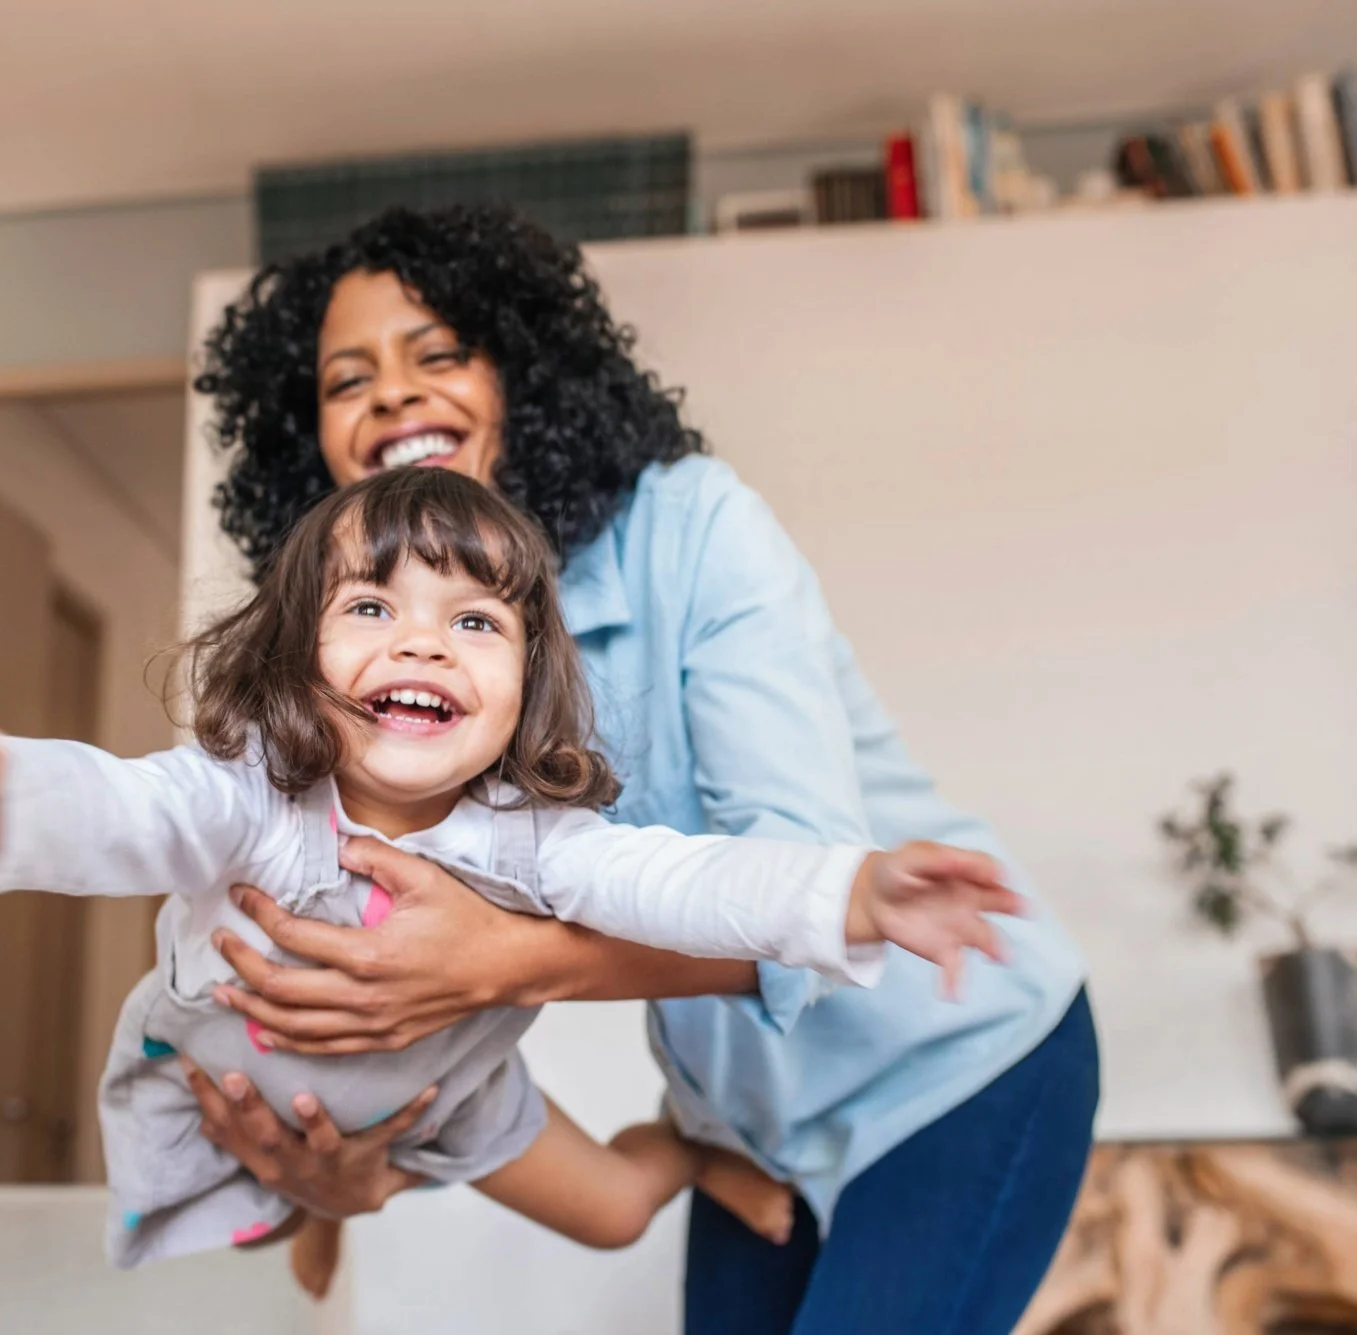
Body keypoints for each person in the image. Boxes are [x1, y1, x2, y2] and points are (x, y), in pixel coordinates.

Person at [182, 204, 1100, 1334]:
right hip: (744, 1129)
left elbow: (797, 884)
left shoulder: (700, 530)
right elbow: (391, 961)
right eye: (345, 380)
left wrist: (510, 963)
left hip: (958, 1064)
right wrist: (347, 1179)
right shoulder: (383, 665)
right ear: (305, 438)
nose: (393, 396)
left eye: (440, 353)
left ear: (523, 371)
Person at [0, 467, 1024, 1282]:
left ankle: (686, 1151)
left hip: (453, 1094)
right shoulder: (252, 796)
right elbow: (128, 807)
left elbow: (688, 881)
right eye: (371, 608)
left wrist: (853, 892)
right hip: (247, 1091)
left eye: (474, 624)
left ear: (528, 684)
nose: (420, 642)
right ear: (293, 655)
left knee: (618, 1216)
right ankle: (324, 1216)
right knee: (258, 1219)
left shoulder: (534, 837)